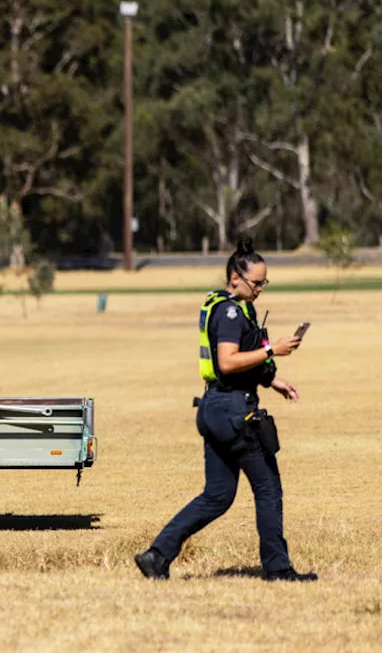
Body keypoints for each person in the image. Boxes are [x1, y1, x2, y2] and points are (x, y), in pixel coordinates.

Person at [135, 237, 317, 582]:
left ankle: (157, 554)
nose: (261, 288)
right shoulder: (232, 311)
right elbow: (228, 361)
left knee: (218, 495)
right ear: (235, 277)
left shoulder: (231, 306)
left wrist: (273, 382)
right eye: (257, 282)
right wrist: (271, 350)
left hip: (216, 406)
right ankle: (278, 569)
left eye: (265, 282)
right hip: (234, 411)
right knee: (267, 488)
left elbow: (229, 368)